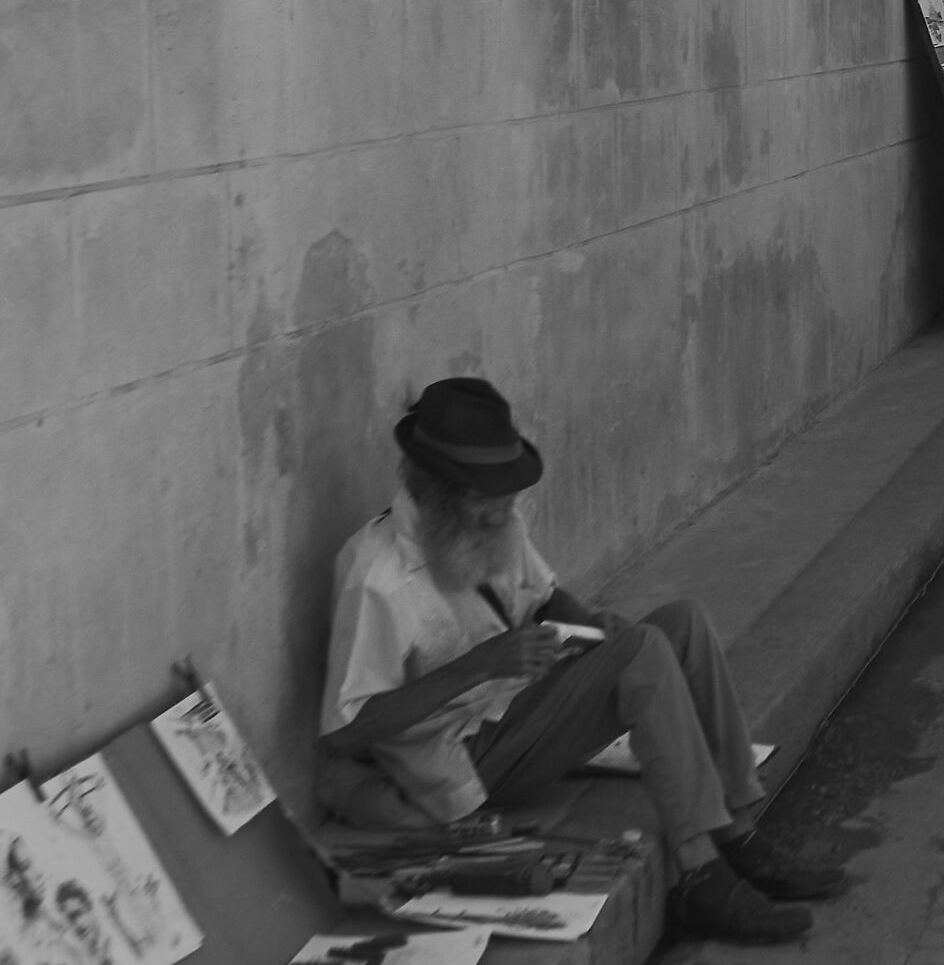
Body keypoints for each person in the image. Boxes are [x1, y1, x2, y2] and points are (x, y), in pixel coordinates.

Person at [317, 379, 836, 945]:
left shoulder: (494, 523)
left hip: (514, 710)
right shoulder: (375, 577)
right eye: (486, 494)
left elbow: (544, 597)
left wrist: (592, 627)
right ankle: (699, 873)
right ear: (439, 491)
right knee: (641, 654)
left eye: (505, 491)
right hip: (458, 764)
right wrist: (480, 665)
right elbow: (346, 734)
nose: (504, 507)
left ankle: (737, 830)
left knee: (680, 624)